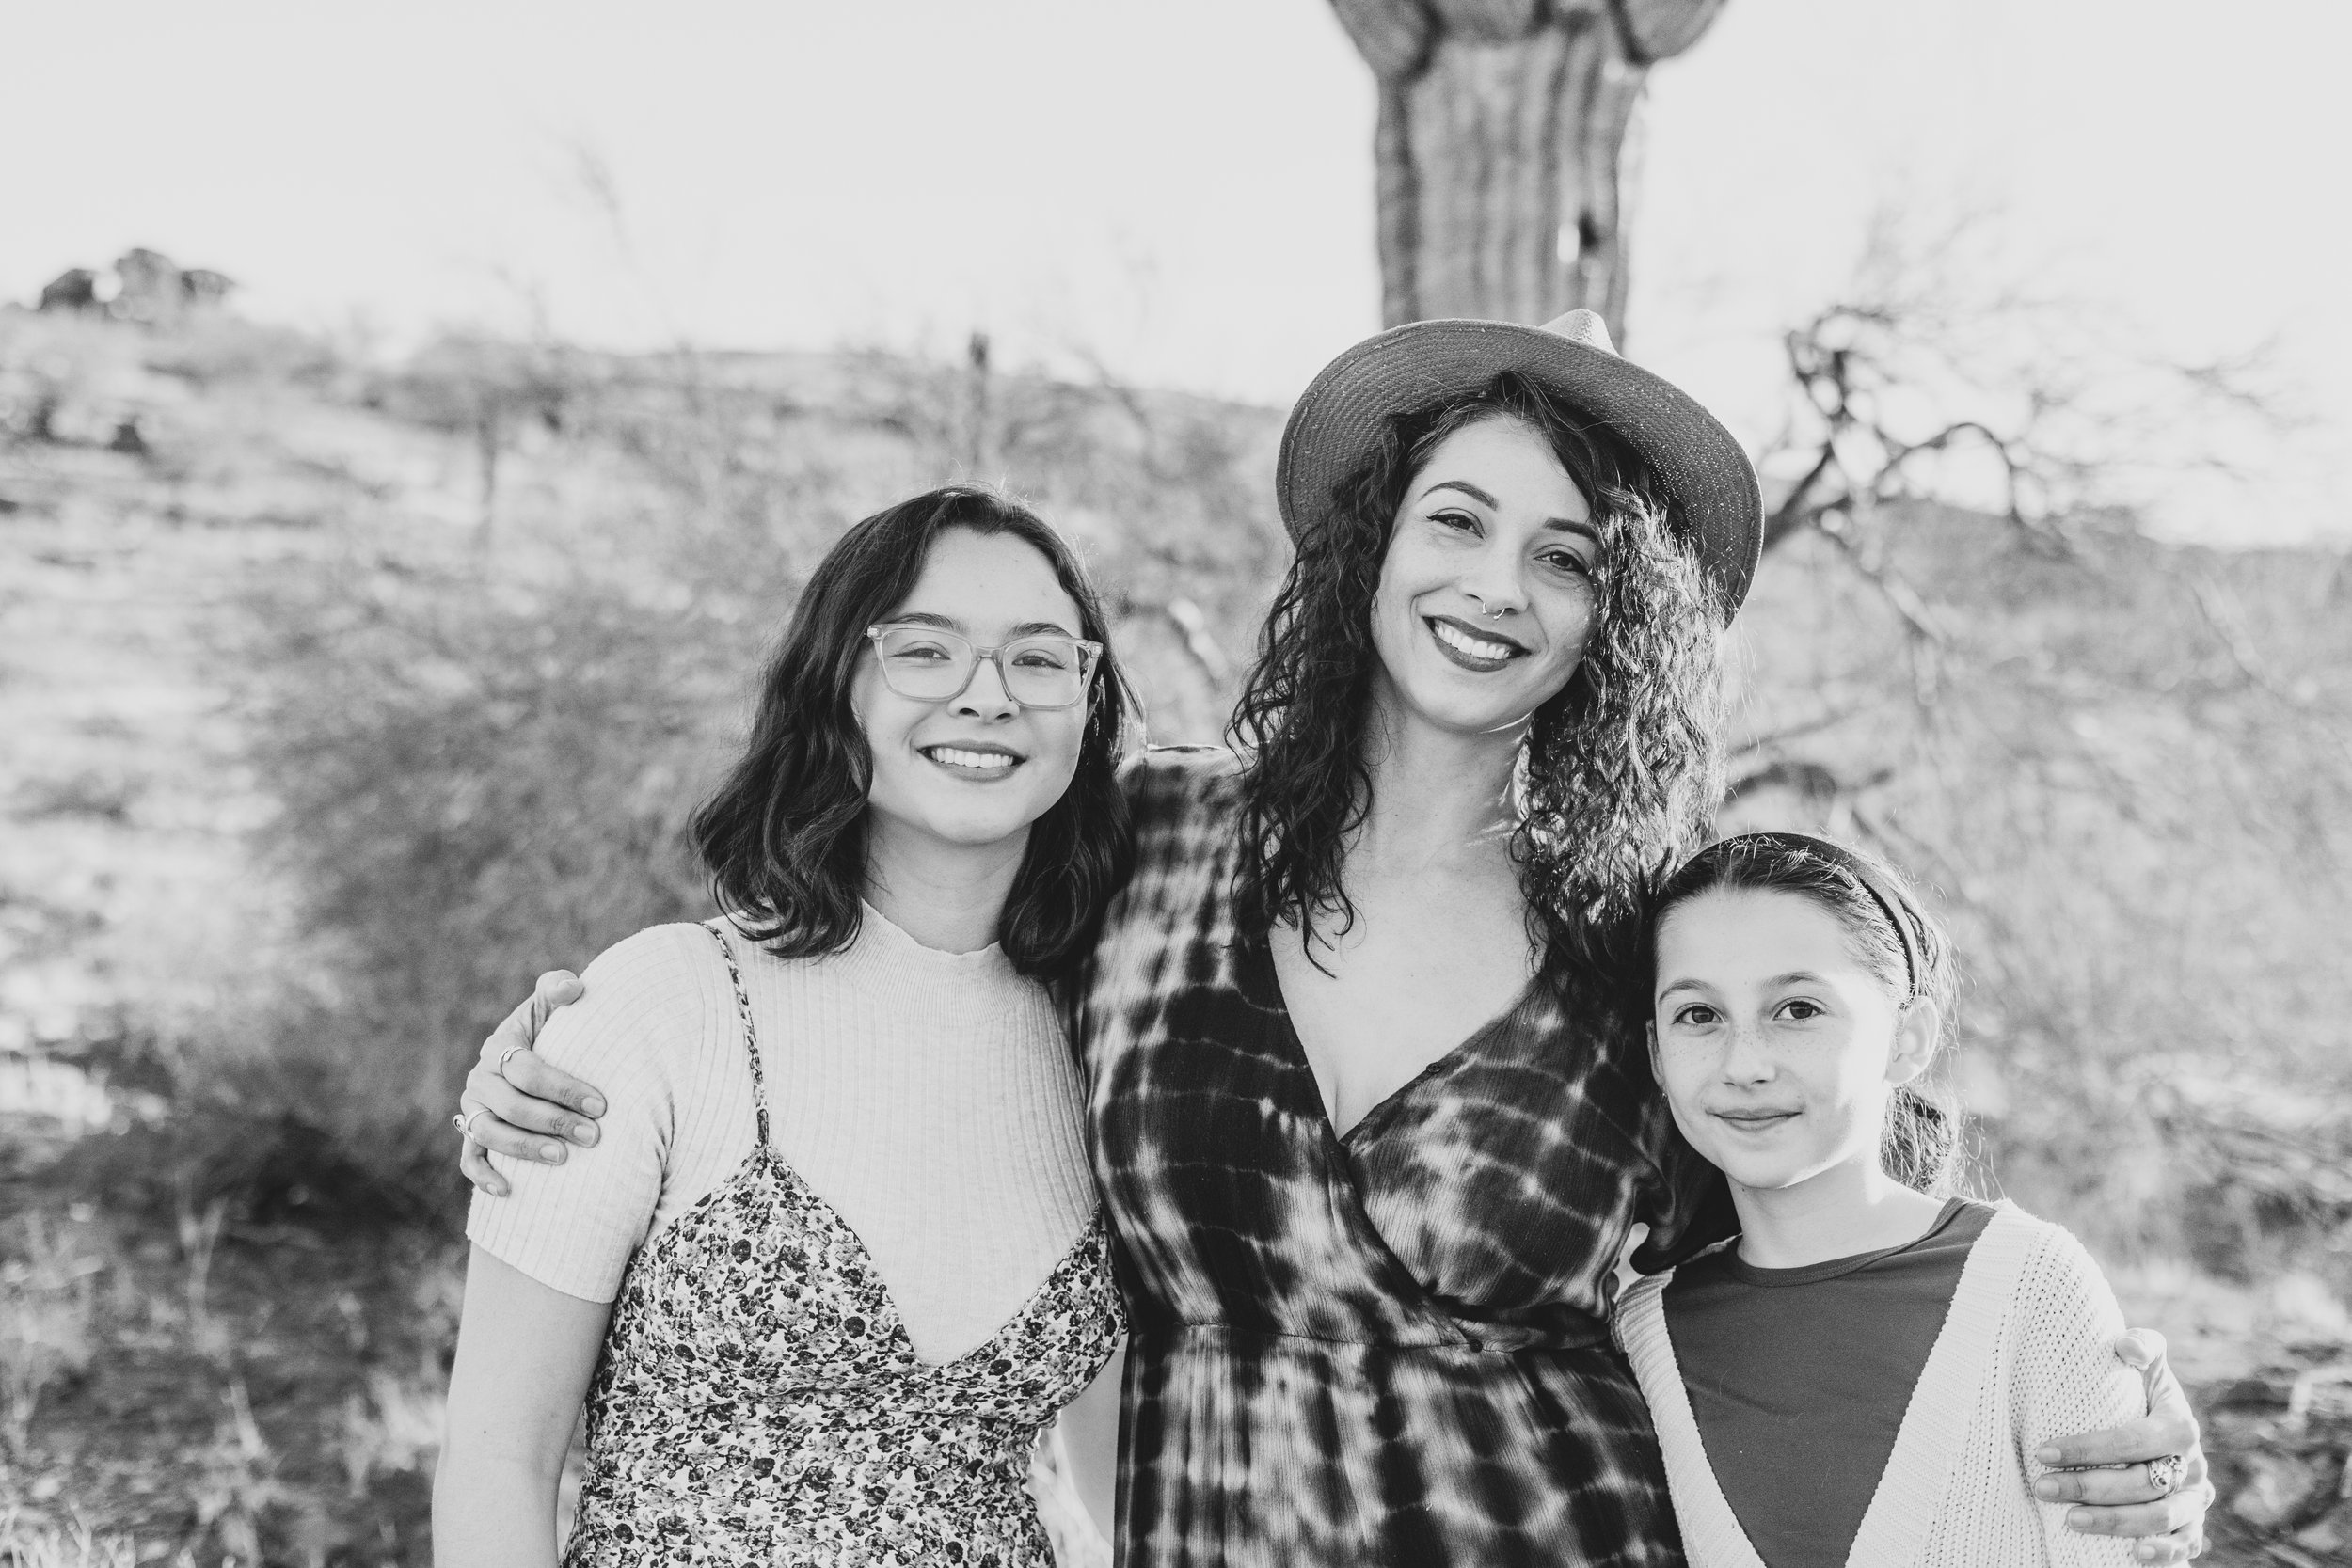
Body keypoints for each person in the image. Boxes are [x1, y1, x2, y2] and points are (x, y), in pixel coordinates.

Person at [457, 312, 2212, 1564]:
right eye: (1458, 520)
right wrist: (574, 1051)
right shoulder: (1143, 840)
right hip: (1214, 1522)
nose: (1496, 586)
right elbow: (882, 960)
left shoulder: (1632, 949)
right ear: (1372, 544)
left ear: (1621, 621)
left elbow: (1831, 1223)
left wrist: (2096, 1425)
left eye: (1569, 558)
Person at [433, 487, 1130, 1566]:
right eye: (926, 651)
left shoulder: (1107, 1040)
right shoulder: (667, 1005)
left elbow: (1119, 1471)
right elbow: (496, 1458)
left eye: (1040, 658)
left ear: (1087, 700)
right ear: (835, 683)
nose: (987, 696)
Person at [1620, 832, 2167, 1566]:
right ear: (1656, 1053)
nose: (1743, 1063)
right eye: (1699, 1015)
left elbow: (2139, 1543)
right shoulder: (1639, 1332)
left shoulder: (2031, 1287)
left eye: (1798, 1008)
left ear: (1906, 1041)